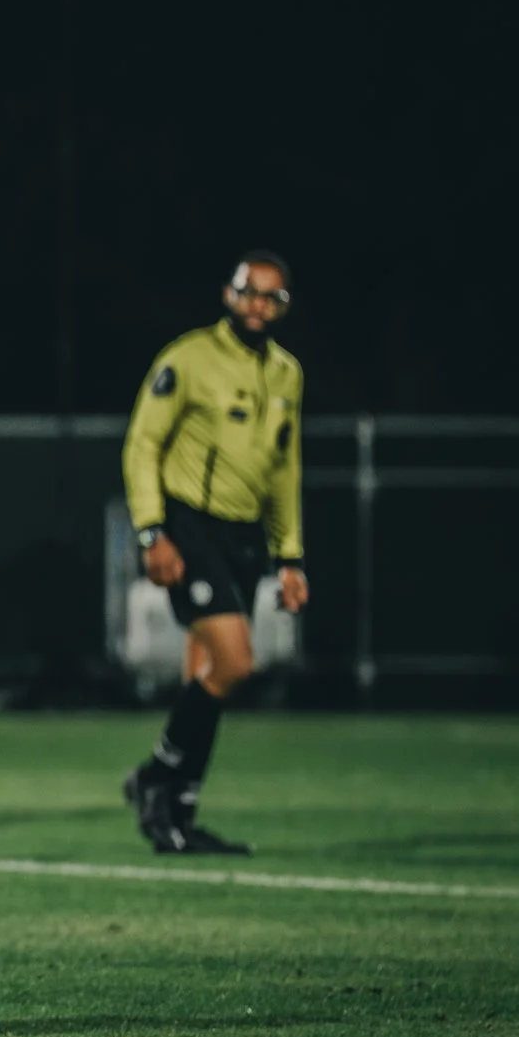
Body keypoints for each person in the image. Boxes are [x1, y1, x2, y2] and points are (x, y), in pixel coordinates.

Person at [121, 251, 310, 854]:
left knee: (207, 676)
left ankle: (176, 815)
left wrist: (290, 557)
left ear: (284, 306)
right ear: (229, 295)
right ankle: (154, 775)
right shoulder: (188, 357)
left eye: (272, 297)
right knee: (235, 663)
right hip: (189, 524)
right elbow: (142, 444)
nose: (259, 305)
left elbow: (284, 470)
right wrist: (153, 532)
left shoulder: (287, 374)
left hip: (244, 534)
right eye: (250, 292)